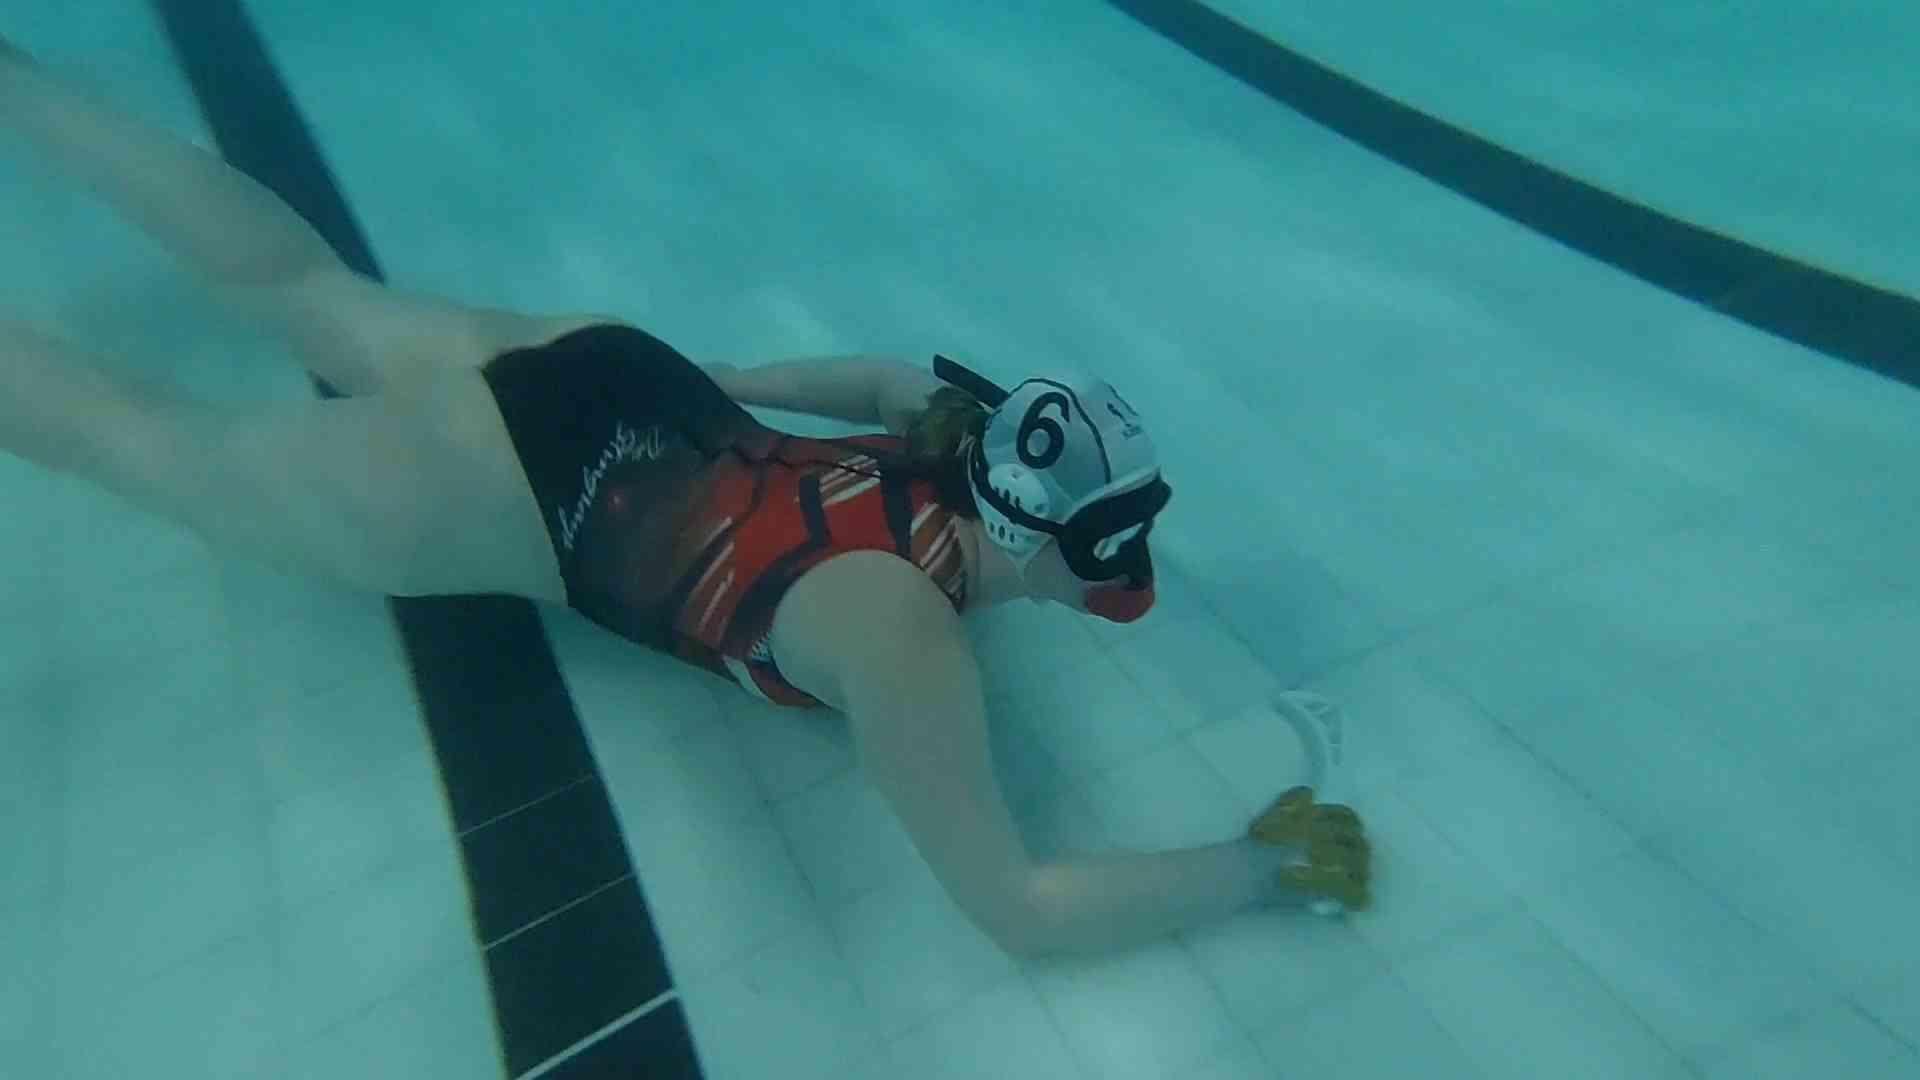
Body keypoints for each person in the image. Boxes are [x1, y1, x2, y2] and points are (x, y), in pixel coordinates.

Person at [0, 40, 1369, 956]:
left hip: (620, 378)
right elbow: (1019, 904)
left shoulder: (928, 419)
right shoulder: (905, 641)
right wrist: (1259, 868)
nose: (1106, 592)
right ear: (1061, 560)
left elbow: (836, 378)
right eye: (1106, 569)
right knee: (133, 439)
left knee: (304, 293)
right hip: (494, 495)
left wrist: (714, 379)